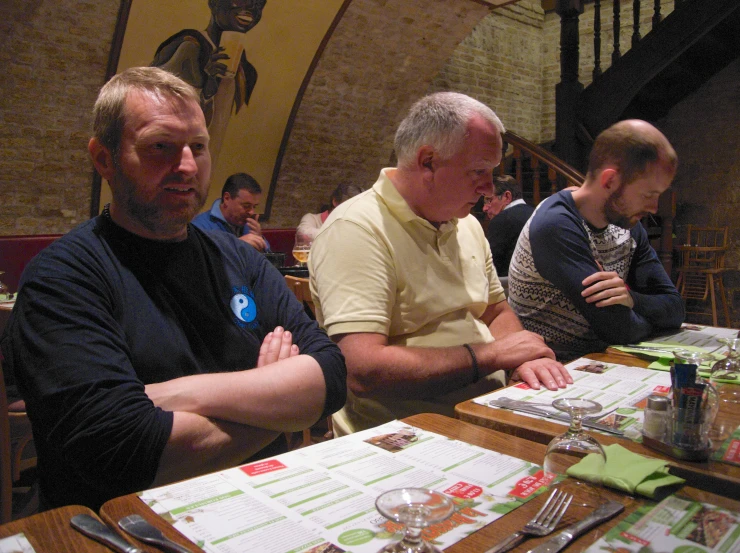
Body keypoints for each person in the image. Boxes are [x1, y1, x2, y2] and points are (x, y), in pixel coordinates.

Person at [0, 67, 346, 510]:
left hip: (259, 503)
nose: (186, 165)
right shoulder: (64, 276)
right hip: (126, 525)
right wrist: (279, 406)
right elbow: (124, 451)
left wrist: (181, 394)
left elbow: (332, 377)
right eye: (160, 146)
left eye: (198, 147)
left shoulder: (239, 258)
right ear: (103, 158)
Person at [309, 92, 571, 436]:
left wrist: (526, 357)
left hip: (492, 409)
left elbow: (495, 312)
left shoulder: (467, 223)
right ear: (428, 161)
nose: (489, 188)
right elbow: (363, 369)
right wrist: (490, 356)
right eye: (479, 171)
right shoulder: (357, 228)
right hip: (406, 433)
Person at [508, 119, 684, 360]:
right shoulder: (556, 224)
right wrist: (651, 317)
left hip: (603, 357)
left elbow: (675, 307)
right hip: (552, 364)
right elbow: (620, 329)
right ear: (610, 181)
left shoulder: (626, 222)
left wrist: (631, 299)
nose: (654, 208)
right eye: (648, 194)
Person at [151, 0, 266, 165]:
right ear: (214, 4)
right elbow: (155, 112)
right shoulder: (190, 48)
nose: (250, 9)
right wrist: (207, 85)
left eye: (258, 4)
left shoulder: (245, 69)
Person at [192, 172, 269, 251]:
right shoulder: (200, 226)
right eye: (246, 206)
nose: (251, 212)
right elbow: (200, 259)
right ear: (227, 198)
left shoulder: (248, 225)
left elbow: (272, 260)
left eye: (254, 206)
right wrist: (236, 245)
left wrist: (260, 241)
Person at [483, 175, 534, 277]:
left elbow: (490, 267)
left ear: (507, 197)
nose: (484, 208)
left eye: (489, 200)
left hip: (510, 287)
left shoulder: (501, 220)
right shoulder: (536, 212)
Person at [296, 183, 364, 241]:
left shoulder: (355, 224)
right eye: (348, 206)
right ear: (335, 201)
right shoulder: (312, 219)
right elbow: (303, 233)